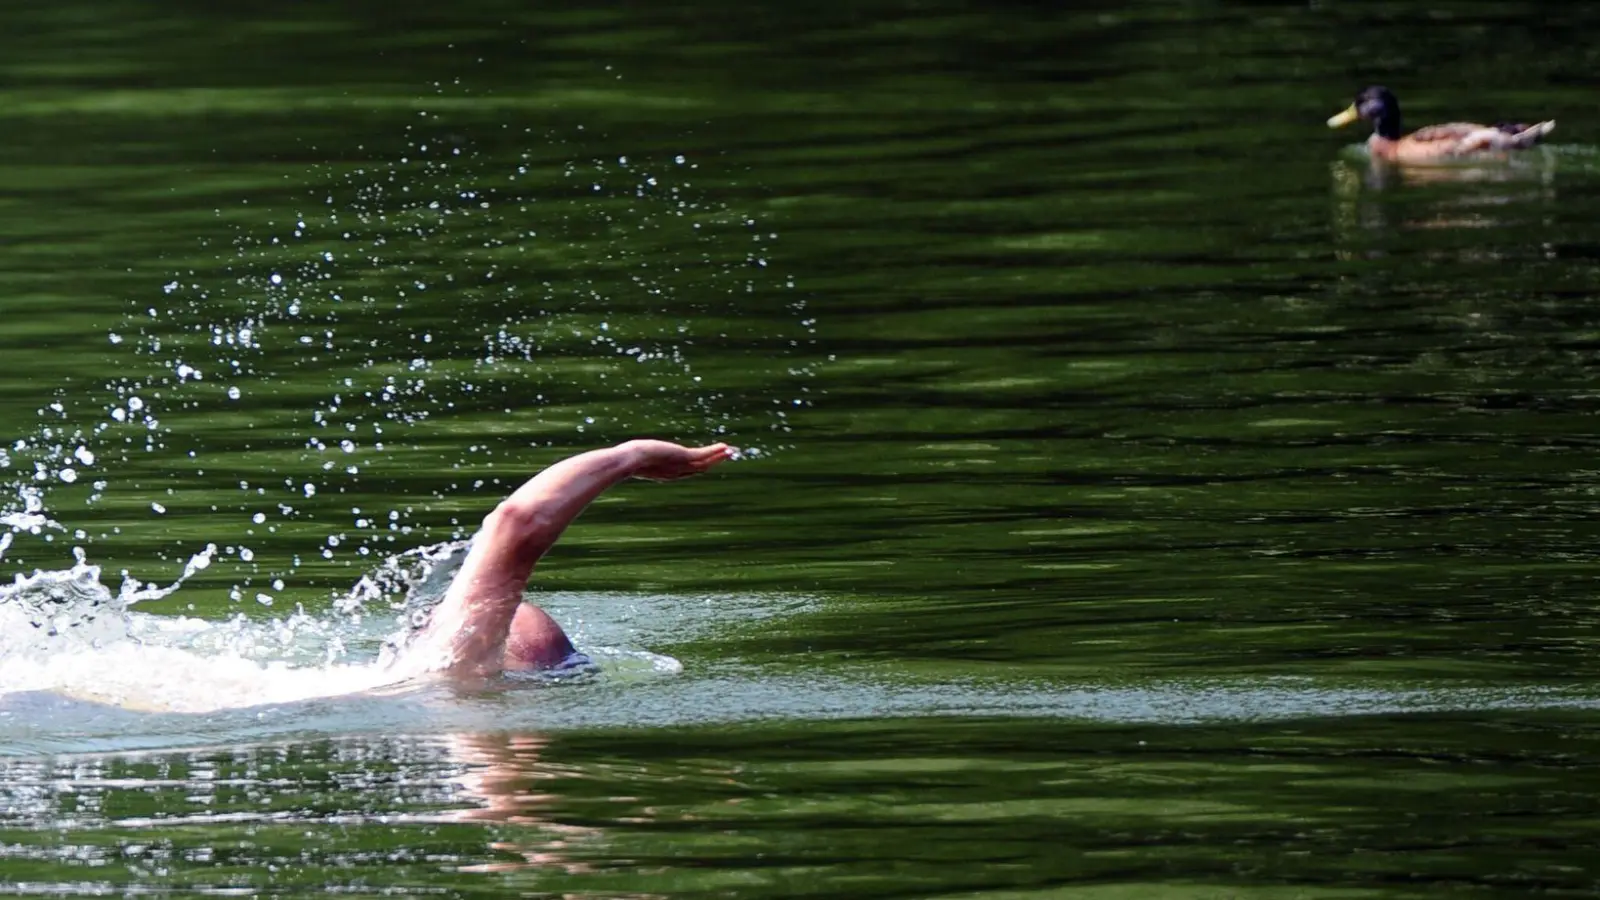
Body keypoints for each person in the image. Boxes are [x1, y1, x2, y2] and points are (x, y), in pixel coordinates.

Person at [399, 439, 735, 679]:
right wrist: (630, 457)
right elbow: (517, 522)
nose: (504, 619)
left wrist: (628, 457)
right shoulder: (456, 669)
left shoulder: (380, 681)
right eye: (502, 633)